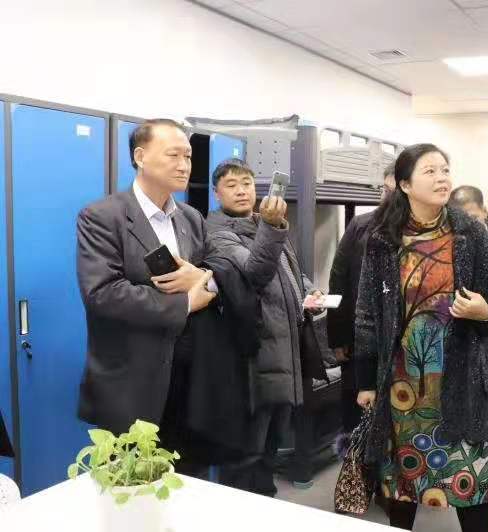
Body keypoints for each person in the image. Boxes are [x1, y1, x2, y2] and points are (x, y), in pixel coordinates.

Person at [354, 144, 488, 532]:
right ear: (405, 184)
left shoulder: (469, 232)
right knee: (401, 485)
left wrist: (485, 308)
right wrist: (365, 381)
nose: (442, 179)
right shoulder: (383, 240)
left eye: (445, 170)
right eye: (430, 171)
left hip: (459, 379)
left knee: (470, 482)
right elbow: (367, 313)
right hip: (402, 387)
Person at [76, 119, 217, 473]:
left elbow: (214, 272)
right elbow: (102, 292)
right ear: (140, 157)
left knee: (188, 483)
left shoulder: (191, 218)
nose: (184, 165)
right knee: (131, 487)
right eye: (173, 155)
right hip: (131, 385)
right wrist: (185, 303)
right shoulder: (102, 217)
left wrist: (204, 280)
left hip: (189, 382)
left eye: (188, 156)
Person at [205, 158, 325, 497]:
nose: (241, 190)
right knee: (247, 452)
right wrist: (272, 227)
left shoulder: (263, 223)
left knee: (270, 448)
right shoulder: (217, 234)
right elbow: (254, 274)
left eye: (246, 183)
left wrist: (308, 290)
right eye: (231, 185)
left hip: (283, 351)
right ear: (216, 193)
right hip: (252, 358)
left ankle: (264, 503)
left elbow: (288, 270)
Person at [449, 184, 488, 493]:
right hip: (462, 341)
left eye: (472, 216)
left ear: (484, 211)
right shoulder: (450, 242)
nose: (467, 224)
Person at [327, 162, 396, 434]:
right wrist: (338, 338)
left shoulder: (420, 234)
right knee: (356, 420)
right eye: (385, 189)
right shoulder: (360, 226)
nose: (387, 197)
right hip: (359, 339)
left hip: (401, 346)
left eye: (394, 191)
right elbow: (338, 280)